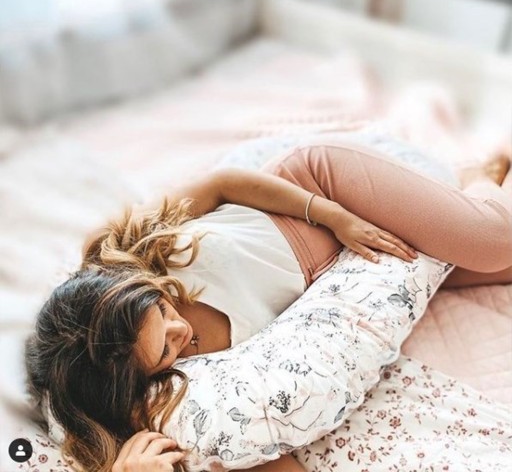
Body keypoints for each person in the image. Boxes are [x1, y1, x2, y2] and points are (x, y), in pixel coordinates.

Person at [24, 137, 512, 472]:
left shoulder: (123, 254)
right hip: (342, 269)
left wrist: (334, 216)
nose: (181, 332)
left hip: (321, 193)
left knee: (494, 243)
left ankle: (478, 179)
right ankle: (474, 184)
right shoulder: (173, 403)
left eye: (164, 311)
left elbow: (222, 184)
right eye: (168, 351)